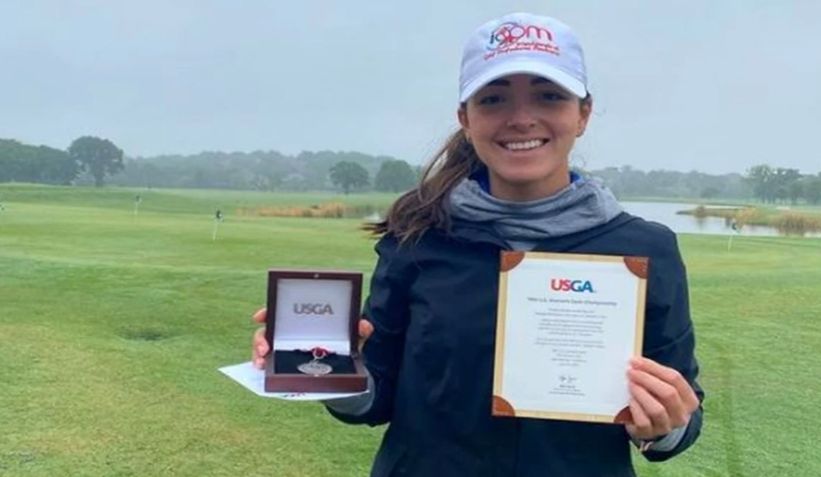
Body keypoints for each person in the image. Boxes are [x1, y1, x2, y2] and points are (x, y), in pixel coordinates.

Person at [253, 12, 703, 476]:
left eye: (549, 96)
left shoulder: (646, 248)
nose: (522, 118)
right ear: (466, 118)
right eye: (494, 99)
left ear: (582, 114)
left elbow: (682, 418)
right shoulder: (418, 236)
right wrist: (330, 371)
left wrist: (663, 424)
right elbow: (376, 396)